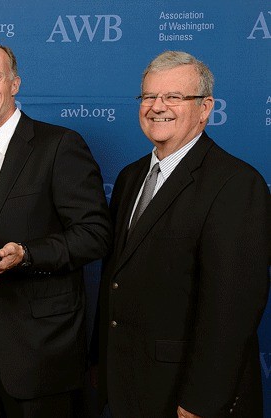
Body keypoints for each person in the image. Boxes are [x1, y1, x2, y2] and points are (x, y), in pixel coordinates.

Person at [92, 50, 270, 417]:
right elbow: (117, 281)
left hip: (187, 398)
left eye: (173, 96)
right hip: (128, 385)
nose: (157, 107)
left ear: (205, 108)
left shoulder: (237, 184)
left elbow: (232, 310)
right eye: (148, 96)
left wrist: (201, 402)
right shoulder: (130, 177)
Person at [0, 40, 111, 417]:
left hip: (42, 351)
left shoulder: (59, 145)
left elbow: (95, 233)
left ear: (15, 84)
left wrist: (26, 253)